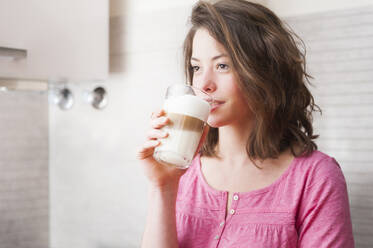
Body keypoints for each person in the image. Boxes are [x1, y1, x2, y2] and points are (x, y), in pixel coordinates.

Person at [136, 0, 355, 247]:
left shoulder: (316, 178)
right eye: (196, 67)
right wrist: (162, 187)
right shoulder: (181, 173)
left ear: (263, 70)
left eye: (222, 65)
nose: (204, 84)